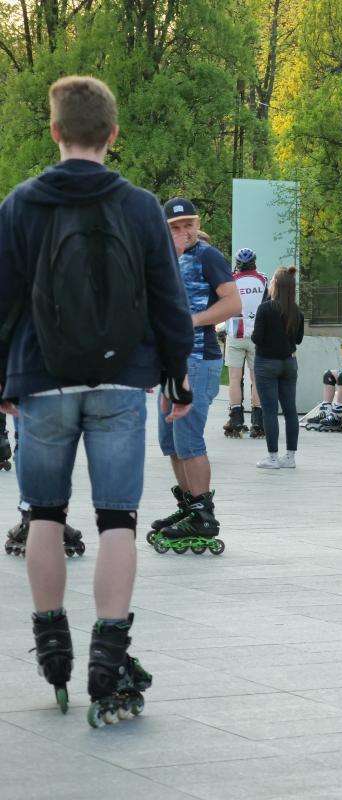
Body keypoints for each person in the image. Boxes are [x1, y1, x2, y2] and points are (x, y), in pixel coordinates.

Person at [0, 75, 193, 723]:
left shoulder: (21, 204)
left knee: (46, 514)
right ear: (113, 134)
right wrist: (176, 378)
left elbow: (2, 301)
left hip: (42, 379)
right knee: (118, 522)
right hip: (119, 382)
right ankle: (109, 662)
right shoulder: (140, 207)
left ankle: (51, 645)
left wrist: (5, 380)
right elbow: (168, 298)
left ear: (54, 131)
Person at [150, 196, 240, 551]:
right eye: (176, 226)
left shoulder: (207, 255)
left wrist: (191, 321)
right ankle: (189, 507)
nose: (184, 231)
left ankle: (205, 514)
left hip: (198, 358)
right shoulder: (164, 260)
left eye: (189, 224)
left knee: (188, 440)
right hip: (170, 363)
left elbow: (233, 304)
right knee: (169, 441)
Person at [251, 267, 304, 469]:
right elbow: (298, 340)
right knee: (290, 410)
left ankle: (272, 457)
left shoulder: (265, 308)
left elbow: (257, 337)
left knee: (270, 411)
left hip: (266, 363)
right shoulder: (297, 311)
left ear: (276, 284)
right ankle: (290, 457)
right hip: (289, 364)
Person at [223, 248, 268, 439]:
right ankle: (258, 421)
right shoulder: (263, 279)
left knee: (234, 379)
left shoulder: (231, 279)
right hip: (258, 336)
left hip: (235, 334)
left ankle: (236, 419)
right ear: (254, 262)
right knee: (256, 379)